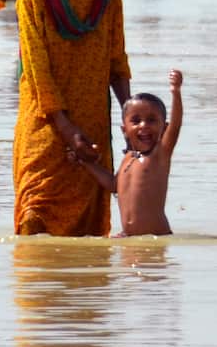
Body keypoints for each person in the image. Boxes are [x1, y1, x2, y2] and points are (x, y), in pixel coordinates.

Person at [12, 0, 131, 237]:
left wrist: (130, 113)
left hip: (91, 126)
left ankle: (84, 290)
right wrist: (65, 128)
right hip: (46, 127)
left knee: (88, 234)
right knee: (34, 218)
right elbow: (37, 70)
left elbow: (117, 61)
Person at [74, 70, 184, 236]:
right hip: (129, 238)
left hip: (156, 238)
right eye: (136, 120)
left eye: (152, 120)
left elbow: (176, 126)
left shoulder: (159, 155)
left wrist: (176, 92)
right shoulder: (128, 158)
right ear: (124, 130)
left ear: (164, 128)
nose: (143, 125)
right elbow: (113, 185)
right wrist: (86, 163)